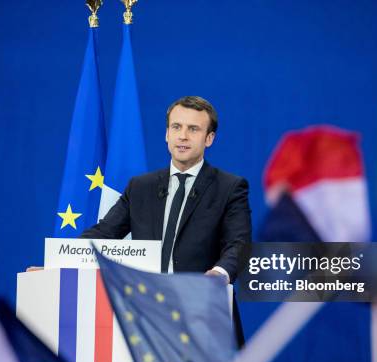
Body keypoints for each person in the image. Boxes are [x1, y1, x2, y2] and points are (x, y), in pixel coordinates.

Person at [81, 96, 251, 345]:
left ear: (209, 138)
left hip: (202, 317)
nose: (183, 136)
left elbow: (239, 244)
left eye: (193, 129)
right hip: (144, 317)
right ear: (166, 134)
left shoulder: (230, 187)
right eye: (176, 127)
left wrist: (218, 274)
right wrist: (58, 263)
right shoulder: (140, 187)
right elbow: (103, 234)